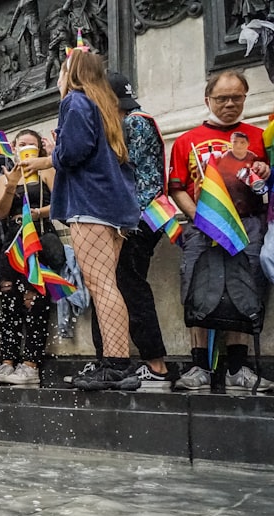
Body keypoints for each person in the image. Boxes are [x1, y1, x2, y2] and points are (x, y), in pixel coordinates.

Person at [35, 49, 141, 390]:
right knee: (108, 283)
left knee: (101, 285)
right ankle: (117, 363)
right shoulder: (105, 106)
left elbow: (72, 153)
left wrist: (56, 148)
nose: (58, 77)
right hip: (113, 207)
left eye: (62, 70)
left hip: (89, 203)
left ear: (73, 72)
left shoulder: (75, 102)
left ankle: (116, 365)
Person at [168, 70, 271, 391]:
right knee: (198, 291)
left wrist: (265, 171)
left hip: (249, 226)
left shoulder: (259, 137)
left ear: (245, 98)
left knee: (246, 291)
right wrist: (200, 218)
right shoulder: (187, 140)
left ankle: (238, 368)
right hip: (203, 228)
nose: (230, 104)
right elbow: (176, 187)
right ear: (207, 100)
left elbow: (267, 181)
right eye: (222, 98)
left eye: (236, 97)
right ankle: (199, 366)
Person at [80, 71, 170, 385]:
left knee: (125, 285)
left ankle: (154, 363)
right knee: (111, 285)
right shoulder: (135, 120)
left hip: (137, 218)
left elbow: (133, 180)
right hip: (135, 217)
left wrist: (123, 223)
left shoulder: (132, 123)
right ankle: (106, 360)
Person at [0, 129, 55, 385]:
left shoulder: (47, 171)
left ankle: (31, 362)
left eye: (30, 145)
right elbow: (0, 212)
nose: (24, 148)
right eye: (20, 145)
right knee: (8, 299)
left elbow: (61, 202)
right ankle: (8, 358)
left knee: (35, 299)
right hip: (12, 241)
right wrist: (10, 185)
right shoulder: (6, 176)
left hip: (38, 238)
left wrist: (37, 213)